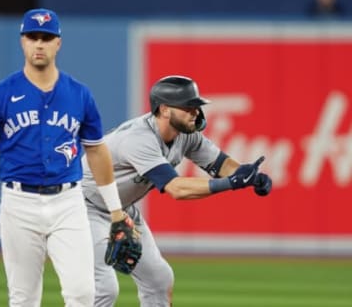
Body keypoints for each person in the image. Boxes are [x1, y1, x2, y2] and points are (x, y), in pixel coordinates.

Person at [0, 8, 128, 307]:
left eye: (46, 38)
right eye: (33, 37)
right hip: (19, 204)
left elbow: (97, 150)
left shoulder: (79, 95)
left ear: (58, 43)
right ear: (22, 41)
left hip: (68, 204)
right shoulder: (1, 94)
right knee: (23, 299)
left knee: (83, 293)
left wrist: (115, 209)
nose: (39, 44)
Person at [81, 75, 273, 306]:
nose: (195, 112)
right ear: (164, 110)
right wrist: (232, 183)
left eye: (196, 106)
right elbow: (177, 189)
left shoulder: (186, 135)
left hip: (122, 210)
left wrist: (249, 176)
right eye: (187, 106)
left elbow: (221, 164)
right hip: (85, 207)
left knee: (159, 280)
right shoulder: (139, 139)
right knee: (104, 289)